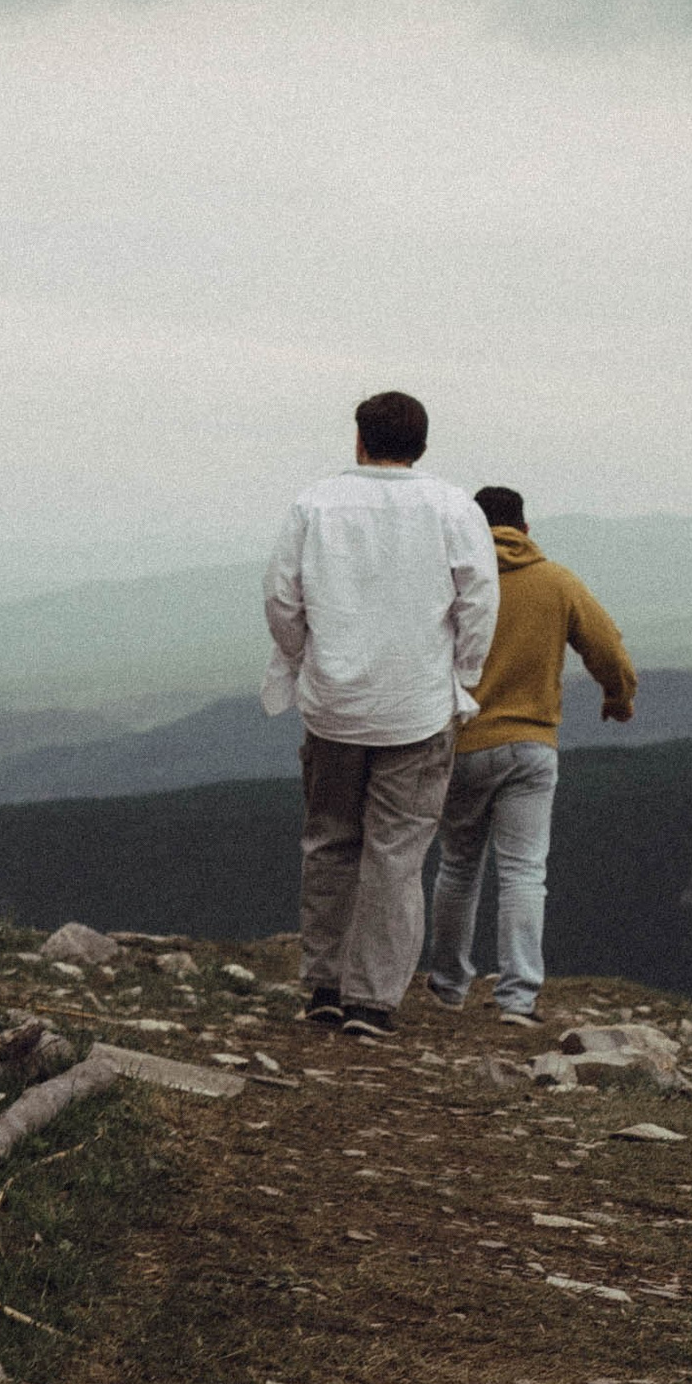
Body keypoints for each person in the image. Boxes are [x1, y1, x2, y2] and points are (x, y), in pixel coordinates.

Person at [262, 390, 497, 1038]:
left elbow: (282, 598)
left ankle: (324, 985)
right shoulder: (454, 508)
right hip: (418, 706)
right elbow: (479, 601)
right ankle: (371, 1001)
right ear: (421, 445)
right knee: (396, 854)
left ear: (360, 441)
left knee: (330, 840)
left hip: (333, 705)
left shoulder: (314, 505)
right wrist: (463, 675)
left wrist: (303, 659)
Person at [424, 485, 635, 1022]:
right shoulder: (555, 580)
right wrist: (618, 697)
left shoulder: (451, 581)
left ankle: (447, 985)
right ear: (526, 530)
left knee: (457, 866)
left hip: (462, 743)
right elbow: (607, 646)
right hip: (531, 745)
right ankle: (518, 997)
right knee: (523, 872)